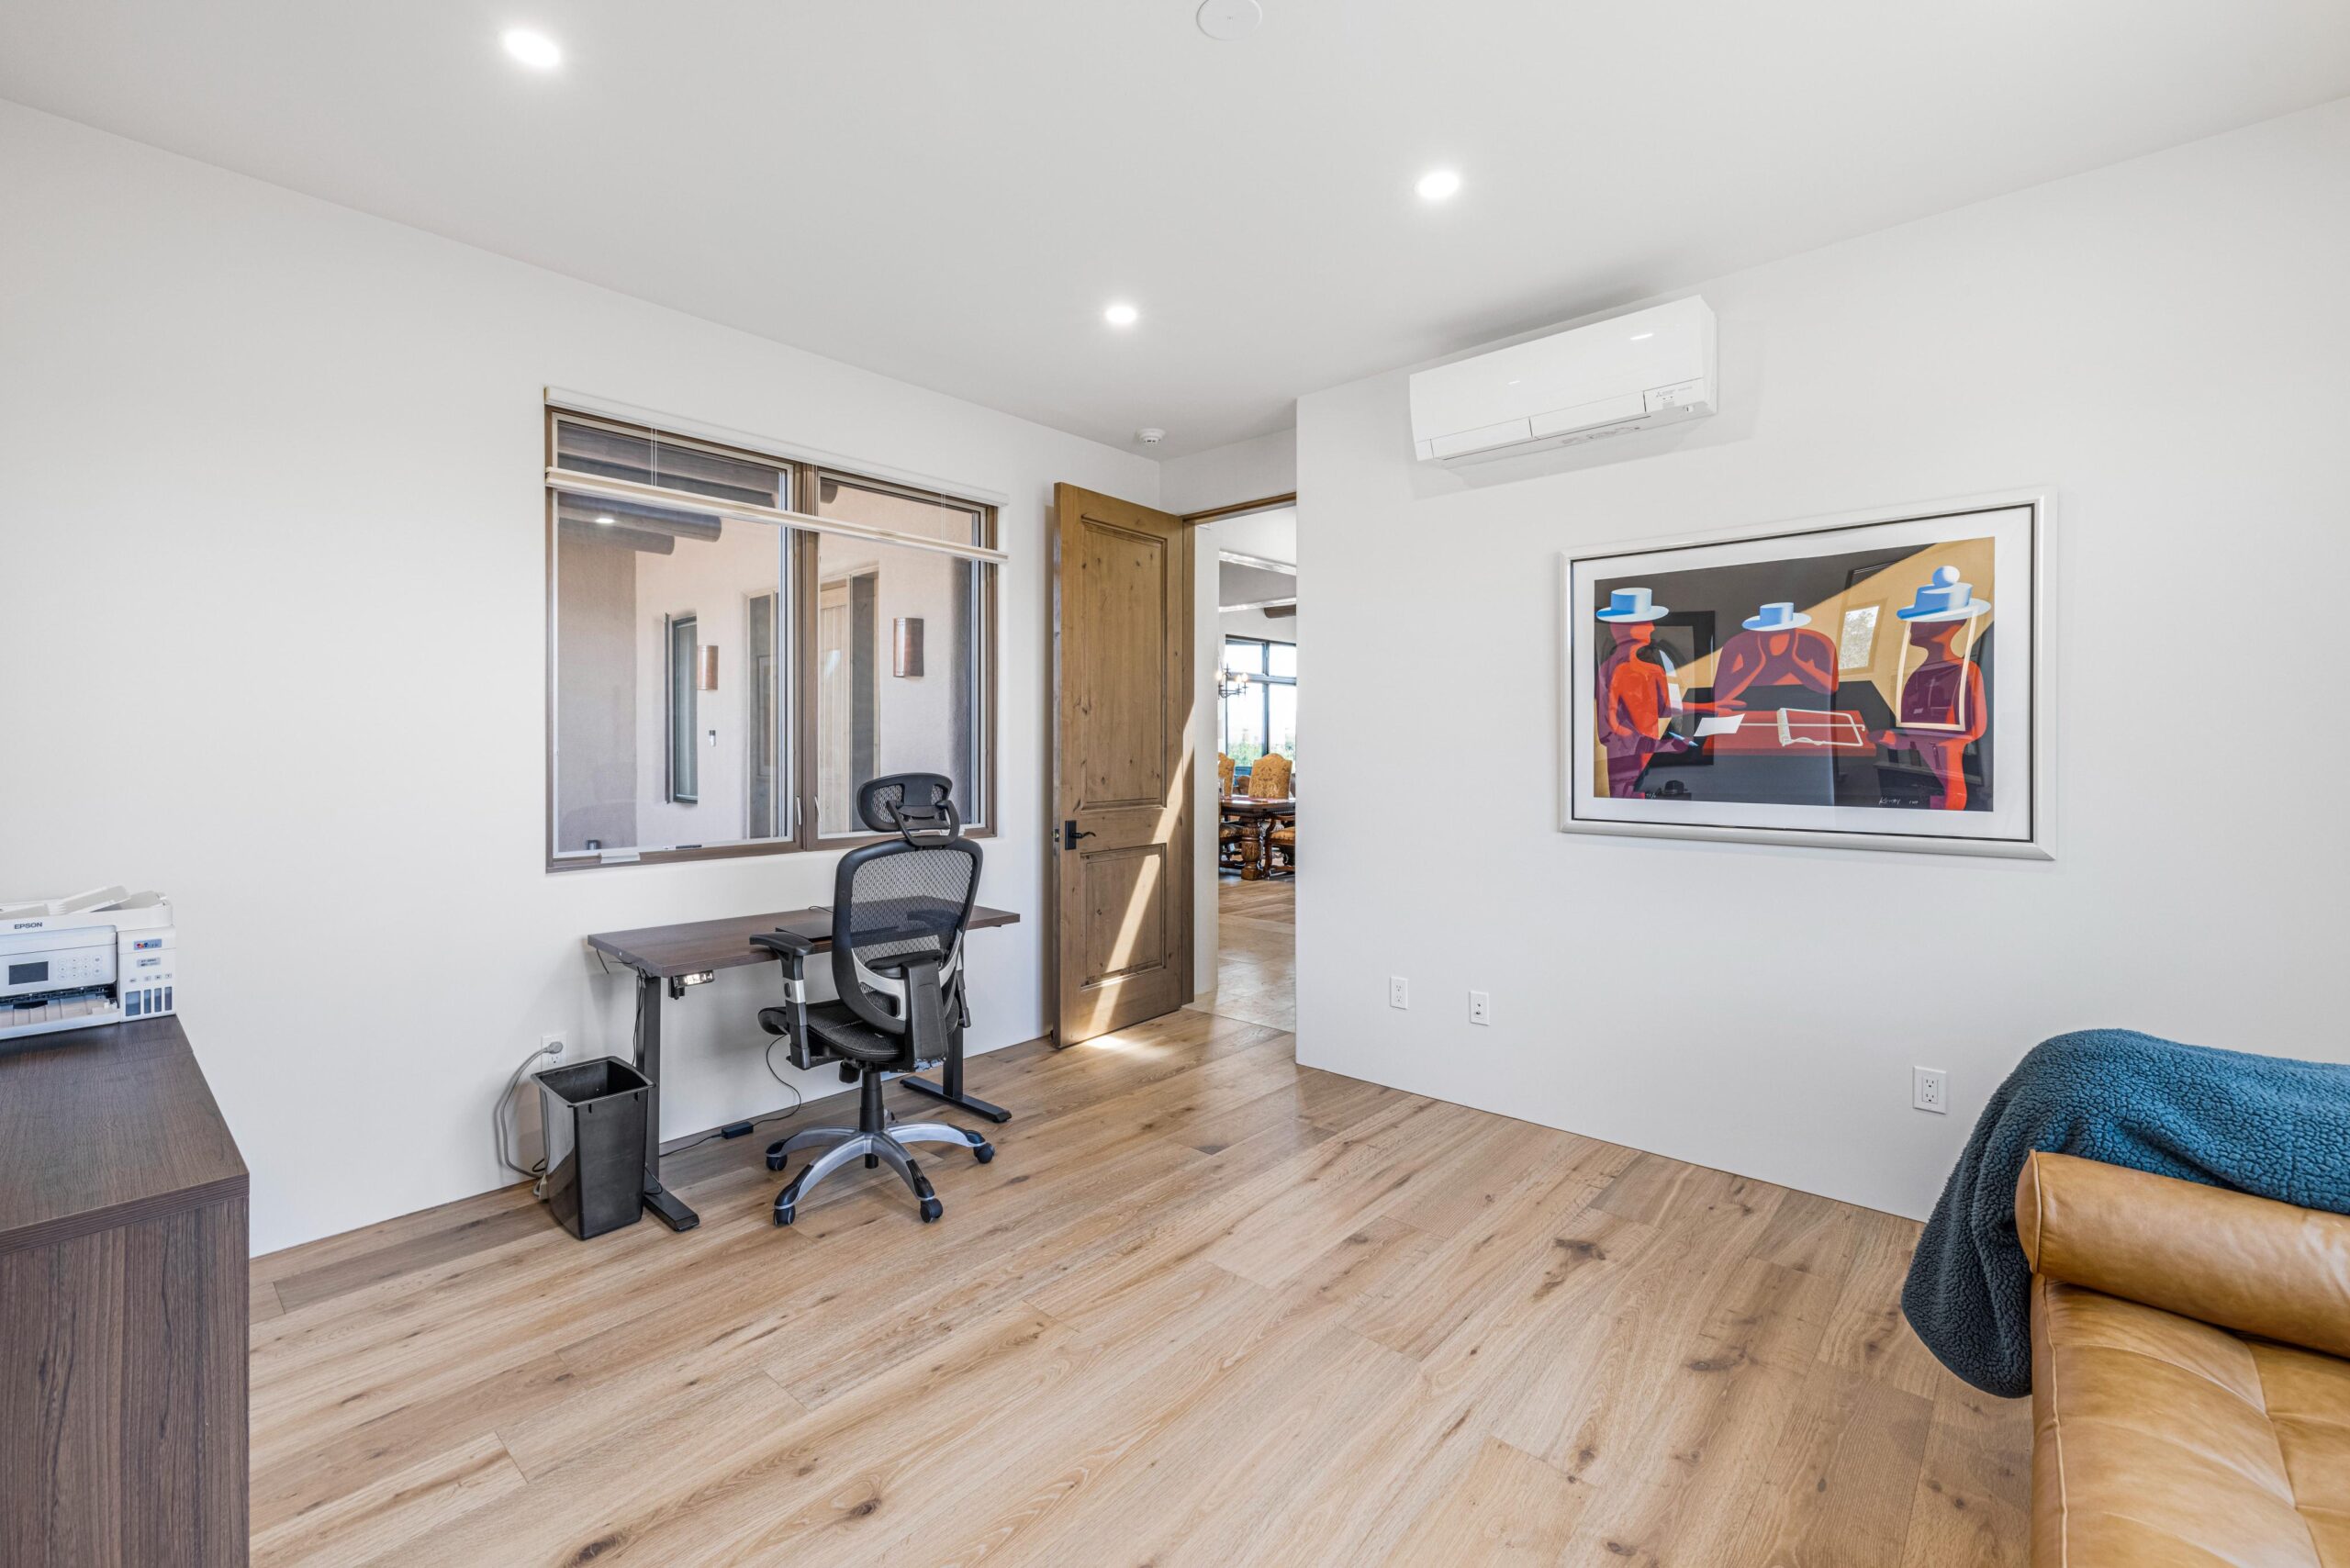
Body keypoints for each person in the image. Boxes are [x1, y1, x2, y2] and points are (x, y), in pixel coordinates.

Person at [1878, 566, 1990, 809]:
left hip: (1950, 767)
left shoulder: (1967, 672)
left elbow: (1975, 727)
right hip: (1925, 769)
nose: (1912, 625)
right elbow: (1909, 729)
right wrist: (1897, 741)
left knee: (1951, 799)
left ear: (1946, 624)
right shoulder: (1916, 677)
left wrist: (1948, 745)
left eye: (1921, 619)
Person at [1595, 588, 1688, 797]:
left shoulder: (1644, 668)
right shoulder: (1615, 670)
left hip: (1639, 758)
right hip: (1626, 764)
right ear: (1623, 628)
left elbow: (1664, 711)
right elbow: (1610, 727)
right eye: (1645, 622)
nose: (1652, 628)